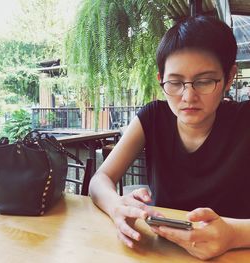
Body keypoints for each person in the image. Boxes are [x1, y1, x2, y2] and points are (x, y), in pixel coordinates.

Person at [89, 15, 250, 260]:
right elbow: (100, 179)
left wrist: (234, 235)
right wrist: (116, 205)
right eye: (175, 83)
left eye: (204, 81)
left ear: (229, 78)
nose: (188, 96)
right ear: (161, 80)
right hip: (160, 254)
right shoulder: (153, 117)